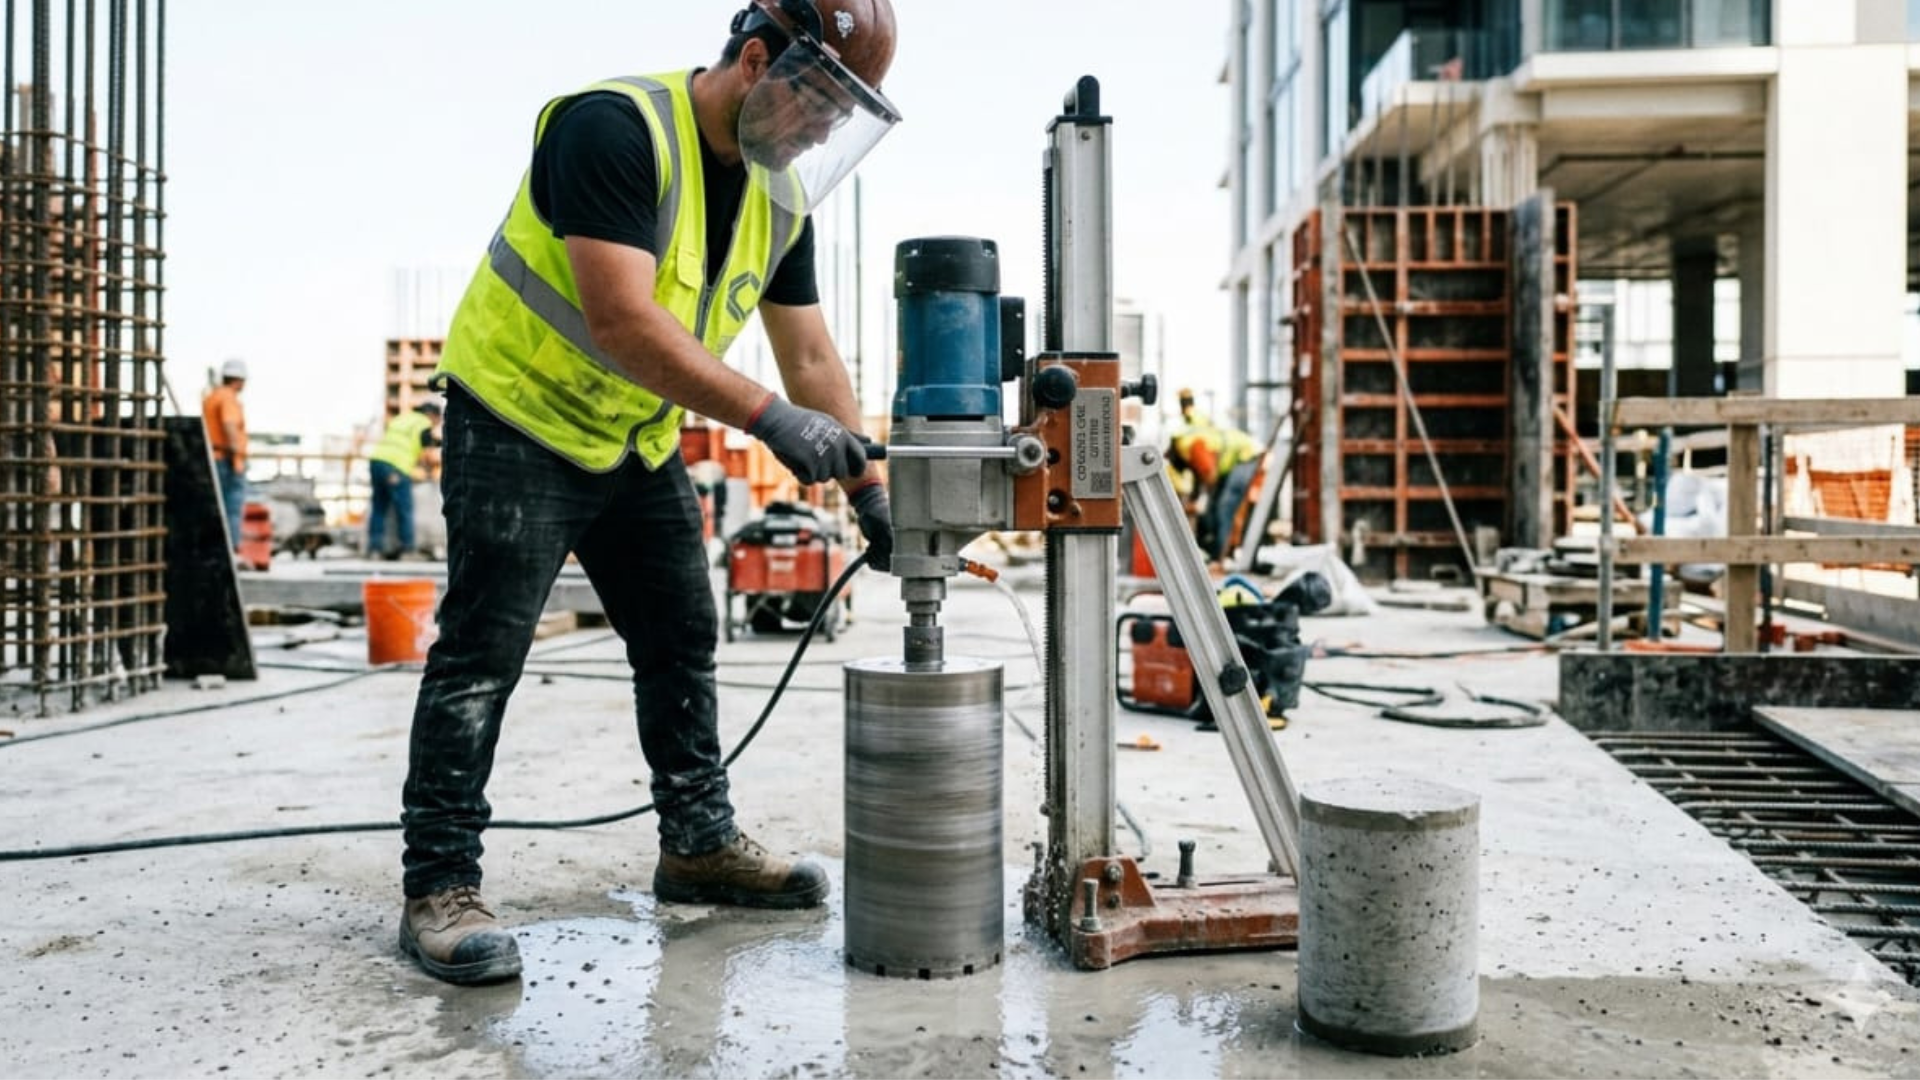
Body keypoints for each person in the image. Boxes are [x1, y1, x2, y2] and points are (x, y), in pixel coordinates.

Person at [397, 0, 900, 987]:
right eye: (816, 106)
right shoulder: (614, 128)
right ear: (757, 59)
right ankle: (439, 889)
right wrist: (766, 420)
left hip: (631, 438)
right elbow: (623, 320)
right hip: (517, 418)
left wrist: (870, 484)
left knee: (680, 635)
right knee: (480, 655)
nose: (821, 131)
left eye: (843, 117)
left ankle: (697, 844)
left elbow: (807, 353)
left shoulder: (776, 193)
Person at [1167, 421, 1261, 561]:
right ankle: (1218, 551)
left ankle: (1223, 555)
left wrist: (1200, 502)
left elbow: (1209, 475)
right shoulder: (1186, 443)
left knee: (1226, 506)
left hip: (1247, 456)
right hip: (1232, 462)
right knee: (1215, 505)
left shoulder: (1192, 447)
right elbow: (1202, 478)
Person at [366, 400, 444, 560]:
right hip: (396, 466)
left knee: (379, 507)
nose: (436, 424)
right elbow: (426, 452)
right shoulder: (423, 423)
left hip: (376, 461)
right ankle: (408, 550)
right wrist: (428, 471)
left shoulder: (402, 418)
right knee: (404, 508)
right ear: (431, 415)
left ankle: (374, 550)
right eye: (437, 420)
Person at [201, 358, 249, 552]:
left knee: (217, 506)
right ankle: (231, 548)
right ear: (239, 380)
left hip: (214, 457)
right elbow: (229, 424)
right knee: (231, 507)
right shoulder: (228, 397)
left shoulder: (212, 396)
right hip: (227, 460)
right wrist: (237, 449)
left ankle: (218, 548)